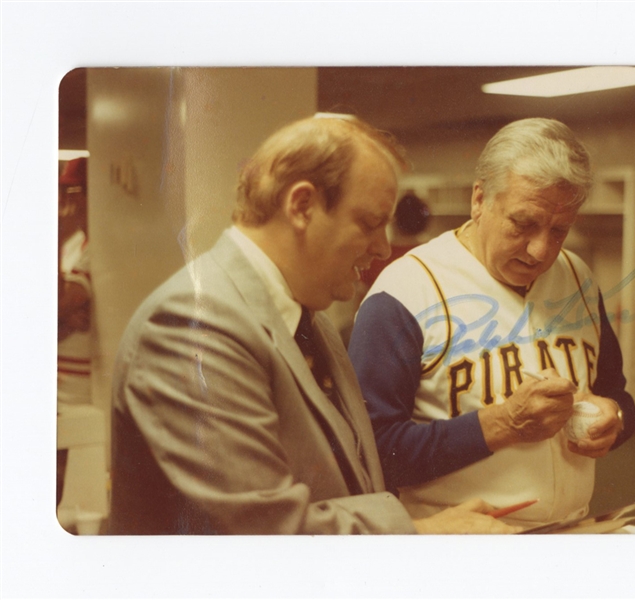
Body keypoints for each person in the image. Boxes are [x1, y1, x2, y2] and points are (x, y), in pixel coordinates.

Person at [109, 116, 518, 535]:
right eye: (369, 223)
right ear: (302, 206)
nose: (381, 248)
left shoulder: (310, 320)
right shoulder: (195, 324)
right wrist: (424, 534)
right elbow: (258, 530)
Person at [348, 118, 635, 528]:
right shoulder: (404, 291)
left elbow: (617, 394)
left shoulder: (578, 276)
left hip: (573, 530)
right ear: (479, 200)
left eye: (559, 230)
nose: (540, 250)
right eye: (523, 224)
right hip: (460, 546)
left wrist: (617, 419)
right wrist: (505, 423)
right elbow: (370, 454)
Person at [56, 157, 92, 510]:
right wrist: (63, 323)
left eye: (75, 190)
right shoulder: (73, 244)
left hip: (78, 393)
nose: (68, 198)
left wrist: (59, 317)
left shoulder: (99, 249)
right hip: (54, 382)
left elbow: (54, 307)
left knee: (70, 487)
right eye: (65, 189)